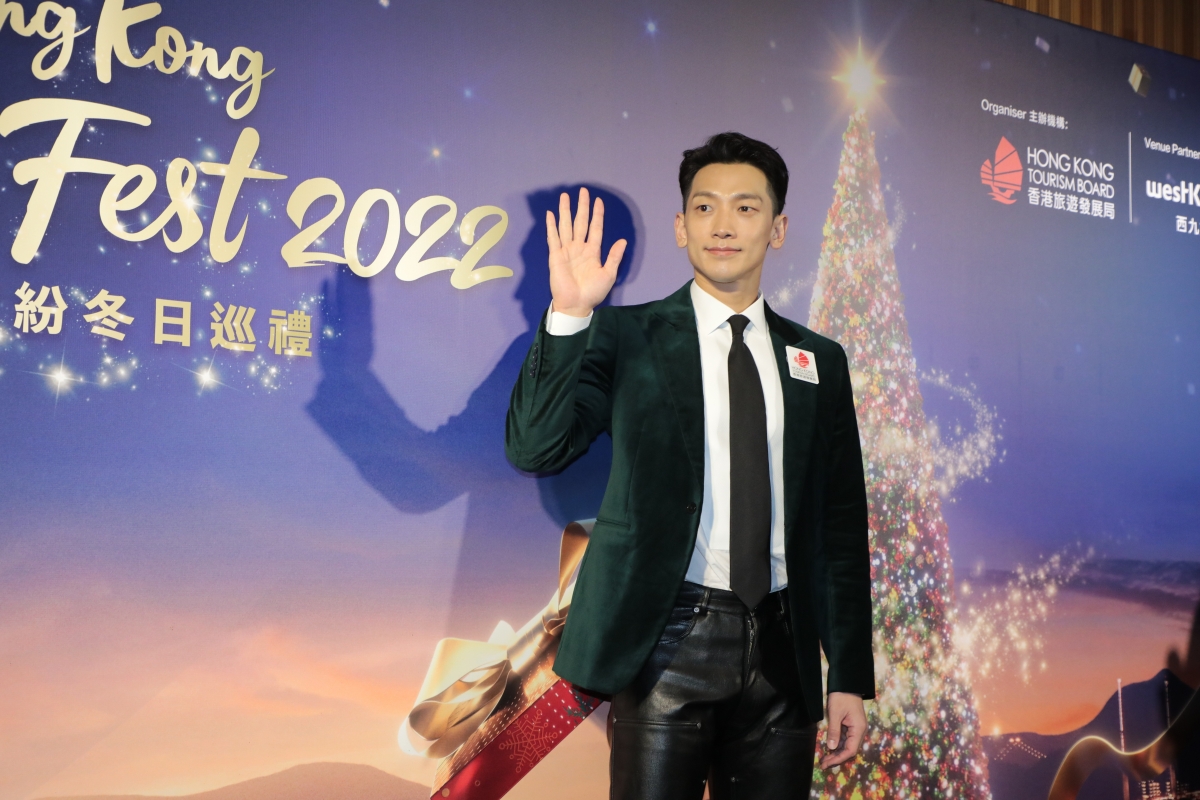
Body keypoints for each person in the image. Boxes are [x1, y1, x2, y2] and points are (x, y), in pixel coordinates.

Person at [505, 132, 874, 799]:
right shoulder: (627, 336)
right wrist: (571, 313)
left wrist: (847, 673)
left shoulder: (819, 360)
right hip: (665, 641)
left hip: (783, 655)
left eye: (745, 208)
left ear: (778, 228)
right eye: (704, 208)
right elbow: (535, 448)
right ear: (681, 227)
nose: (722, 226)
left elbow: (841, 528)